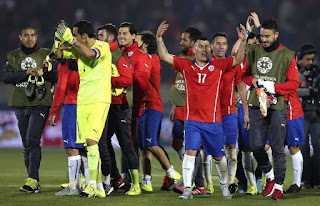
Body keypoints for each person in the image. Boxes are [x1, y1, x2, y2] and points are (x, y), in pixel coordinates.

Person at [156, 21, 247, 199]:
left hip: (213, 122)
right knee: (190, 152)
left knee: (219, 157)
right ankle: (188, 189)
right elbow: (165, 56)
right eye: (200, 46)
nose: (204, 49)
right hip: (192, 121)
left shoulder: (219, 66)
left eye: (206, 46)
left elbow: (237, 59)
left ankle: (224, 186)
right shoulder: (186, 65)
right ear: (194, 49)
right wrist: (159, 38)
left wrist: (243, 42)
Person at [242, 18, 300, 200]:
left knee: (276, 147)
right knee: (255, 145)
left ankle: (279, 187)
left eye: (267, 36)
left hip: (277, 105)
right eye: (262, 36)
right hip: (256, 104)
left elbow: (294, 83)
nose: (264, 39)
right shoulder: (252, 51)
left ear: (276, 35)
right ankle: (270, 175)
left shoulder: (288, 55)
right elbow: (244, 75)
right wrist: (253, 81)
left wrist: (274, 88)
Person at [54, 20, 112, 198]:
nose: (74, 38)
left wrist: (71, 39)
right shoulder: (78, 49)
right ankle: (97, 187)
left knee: (92, 141)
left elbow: (88, 53)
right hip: (82, 100)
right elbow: (57, 55)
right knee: (88, 144)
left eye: (76, 35)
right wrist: (57, 38)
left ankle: (93, 186)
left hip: (99, 100)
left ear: (84, 36)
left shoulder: (103, 46)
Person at [3, 25, 57, 193]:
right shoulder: (12, 56)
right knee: (27, 144)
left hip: (40, 103)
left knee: (32, 141)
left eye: (33, 35)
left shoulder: (46, 54)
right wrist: (27, 72)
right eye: (26, 35)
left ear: (37, 36)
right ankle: (33, 181)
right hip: (20, 103)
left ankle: (32, 180)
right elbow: (6, 77)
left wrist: (43, 73)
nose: (30, 38)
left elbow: (55, 76)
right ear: (20, 37)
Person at [136, 31, 181, 192]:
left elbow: (142, 78)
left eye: (138, 40)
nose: (135, 42)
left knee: (151, 143)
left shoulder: (152, 58)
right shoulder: (142, 58)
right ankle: (146, 180)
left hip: (153, 105)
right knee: (144, 147)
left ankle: (172, 173)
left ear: (145, 44)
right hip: (143, 107)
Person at [97, 23, 139, 196]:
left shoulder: (116, 55)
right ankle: (116, 179)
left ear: (110, 38)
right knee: (103, 144)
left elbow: (127, 79)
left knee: (126, 145)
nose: (97, 38)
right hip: (107, 105)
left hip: (120, 106)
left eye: (100, 36)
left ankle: (136, 183)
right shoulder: (105, 54)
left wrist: (107, 81)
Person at [167, 26, 208, 195]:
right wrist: (174, 104)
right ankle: (200, 185)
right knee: (180, 143)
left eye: (184, 39)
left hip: (194, 110)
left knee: (194, 147)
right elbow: (177, 82)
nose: (181, 42)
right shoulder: (182, 58)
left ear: (193, 42)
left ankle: (189, 181)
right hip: (180, 108)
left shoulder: (200, 59)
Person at [211, 32, 250, 195]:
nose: (221, 46)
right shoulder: (206, 63)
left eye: (224, 43)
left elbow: (241, 88)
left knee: (231, 146)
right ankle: (208, 183)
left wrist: (246, 112)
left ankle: (230, 182)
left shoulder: (232, 65)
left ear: (227, 46)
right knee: (214, 150)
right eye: (218, 43)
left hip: (228, 113)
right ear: (212, 46)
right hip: (210, 114)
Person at [117, 22, 151, 195]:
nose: (121, 36)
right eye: (119, 33)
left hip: (129, 109)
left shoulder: (140, 56)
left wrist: (135, 110)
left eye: (125, 33)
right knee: (122, 145)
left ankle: (134, 182)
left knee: (129, 145)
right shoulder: (118, 54)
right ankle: (123, 179)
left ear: (133, 36)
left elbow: (140, 85)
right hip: (116, 106)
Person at [48, 58, 86, 196]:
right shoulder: (86, 59)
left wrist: (53, 112)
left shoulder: (65, 64)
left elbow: (61, 88)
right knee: (85, 148)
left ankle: (73, 187)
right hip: (87, 105)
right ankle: (88, 184)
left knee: (71, 147)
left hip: (72, 106)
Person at [297, 44, 320, 190]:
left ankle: (317, 179)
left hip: (316, 115)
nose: (310, 62)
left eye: (312, 59)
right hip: (301, 114)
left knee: (318, 147)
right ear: (300, 59)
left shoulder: (317, 72)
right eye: (307, 59)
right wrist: (309, 92)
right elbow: (292, 88)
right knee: (303, 148)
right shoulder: (294, 72)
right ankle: (306, 180)